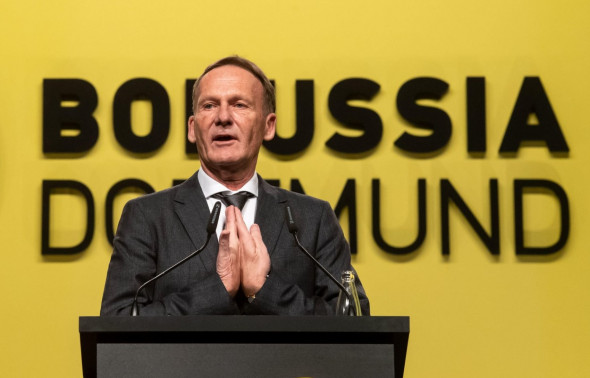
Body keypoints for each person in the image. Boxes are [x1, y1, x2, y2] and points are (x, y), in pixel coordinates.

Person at [100, 56, 370, 316]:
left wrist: (265, 289)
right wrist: (217, 290)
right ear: (193, 128)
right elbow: (119, 319)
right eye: (209, 106)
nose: (223, 117)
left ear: (269, 126)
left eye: (239, 105)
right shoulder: (148, 217)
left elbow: (352, 319)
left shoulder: (313, 219)